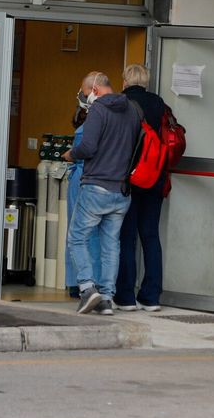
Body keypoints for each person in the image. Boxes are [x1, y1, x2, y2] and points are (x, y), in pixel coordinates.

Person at [63, 71, 136, 315]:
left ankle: (87, 289)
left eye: (85, 94)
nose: (84, 99)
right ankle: (106, 298)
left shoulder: (98, 111)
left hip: (97, 186)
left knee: (77, 238)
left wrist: (71, 154)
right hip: (122, 190)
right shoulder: (133, 110)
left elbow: (88, 146)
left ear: (94, 89)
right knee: (110, 244)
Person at [117, 63, 167, 313]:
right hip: (154, 178)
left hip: (129, 179)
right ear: (146, 81)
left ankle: (126, 296)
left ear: (125, 80)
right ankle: (151, 296)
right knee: (150, 236)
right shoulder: (158, 103)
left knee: (126, 237)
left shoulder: (121, 102)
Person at [64, 74, 100, 299]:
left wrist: (69, 155)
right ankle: (97, 284)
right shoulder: (108, 120)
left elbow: (80, 154)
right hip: (100, 181)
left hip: (83, 180)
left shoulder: (85, 129)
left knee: (79, 233)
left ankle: (81, 282)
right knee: (98, 235)